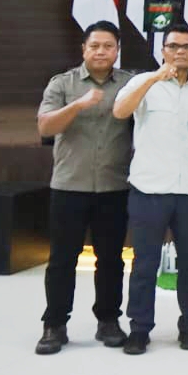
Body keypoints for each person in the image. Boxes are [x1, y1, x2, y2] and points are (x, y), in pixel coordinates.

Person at [110, 23, 188, 355]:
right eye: (173, 46)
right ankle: (139, 328)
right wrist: (154, 78)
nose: (180, 51)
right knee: (145, 264)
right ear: (163, 50)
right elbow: (120, 111)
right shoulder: (142, 82)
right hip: (149, 187)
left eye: (187, 47)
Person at [35, 21, 133, 355]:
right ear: (84, 49)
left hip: (113, 186)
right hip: (69, 186)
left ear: (117, 50)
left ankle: (108, 320)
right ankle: (54, 324)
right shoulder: (63, 84)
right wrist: (78, 105)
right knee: (63, 259)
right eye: (95, 46)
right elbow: (46, 126)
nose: (101, 52)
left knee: (111, 260)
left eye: (108, 46)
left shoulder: (129, 85)